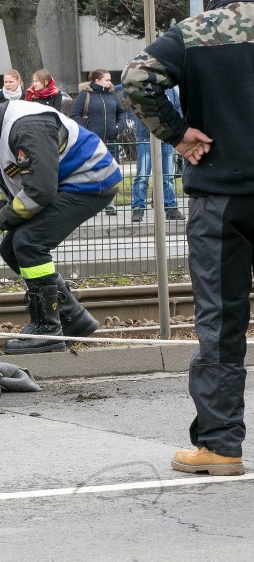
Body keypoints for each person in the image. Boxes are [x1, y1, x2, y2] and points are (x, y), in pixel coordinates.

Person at [122, 0, 253, 476]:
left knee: (220, 322)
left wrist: (176, 134)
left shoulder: (199, 31)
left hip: (220, 197)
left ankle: (221, 447)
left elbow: (136, 80)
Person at [0, 79, 121, 354]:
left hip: (90, 180)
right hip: (65, 181)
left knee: (29, 242)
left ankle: (48, 327)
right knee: (12, 247)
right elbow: (9, 177)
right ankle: (72, 318)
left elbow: (40, 191)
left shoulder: (26, 128)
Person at [70, 69, 126, 216]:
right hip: (92, 143)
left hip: (111, 140)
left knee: (110, 172)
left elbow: (122, 113)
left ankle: (109, 204)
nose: (110, 82)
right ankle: (90, 204)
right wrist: (86, 133)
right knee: (91, 173)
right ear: (97, 80)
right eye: (107, 79)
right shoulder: (85, 95)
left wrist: (119, 128)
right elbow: (74, 114)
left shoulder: (112, 95)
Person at [129, 87, 185, 222]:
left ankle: (170, 207)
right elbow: (139, 110)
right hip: (146, 138)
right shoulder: (141, 86)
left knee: (168, 176)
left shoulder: (170, 90)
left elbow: (178, 110)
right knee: (142, 176)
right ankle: (138, 209)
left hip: (167, 137)